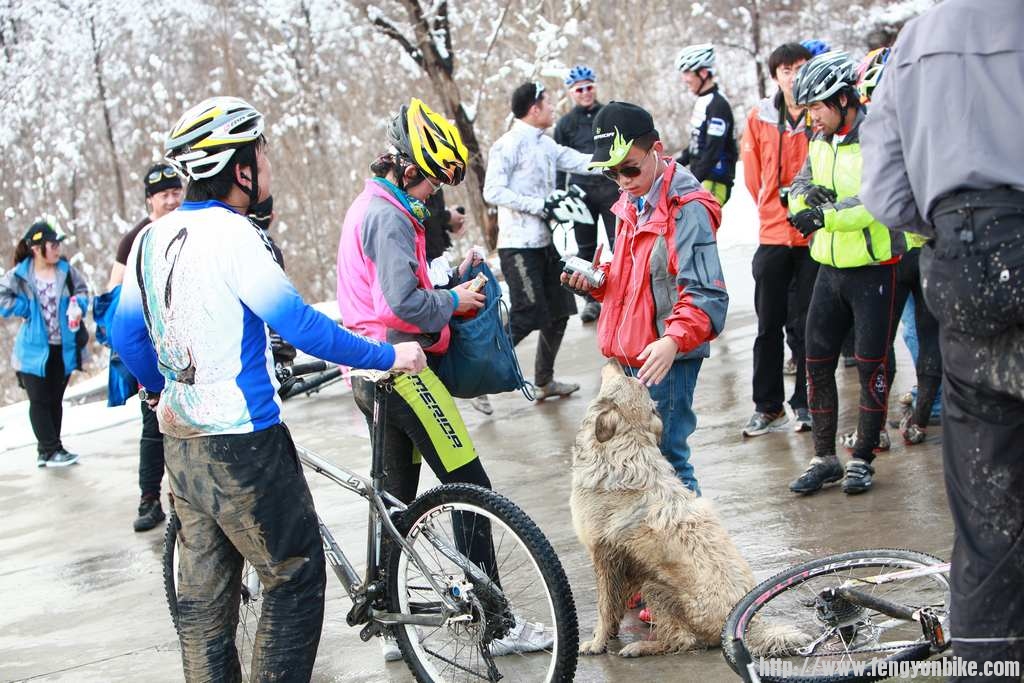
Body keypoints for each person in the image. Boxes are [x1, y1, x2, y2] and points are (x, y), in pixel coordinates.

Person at [111, 96, 426, 681]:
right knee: (294, 579)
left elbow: (124, 332)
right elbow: (298, 324)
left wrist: (165, 391)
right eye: (261, 150)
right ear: (240, 168)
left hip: (183, 447)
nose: (267, 162)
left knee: (205, 607)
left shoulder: (151, 239)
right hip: (247, 449)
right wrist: (386, 354)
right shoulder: (234, 234)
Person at [337, 97, 552, 657]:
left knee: (396, 497)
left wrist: (442, 281)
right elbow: (401, 304)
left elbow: (389, 289)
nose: (434, 194)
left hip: (369, 373)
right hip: (401, 371)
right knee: (471, 487)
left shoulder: (373, 205)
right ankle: (497, 625)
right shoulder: (388, 215)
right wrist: (453, 297)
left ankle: (391, 620)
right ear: (408, 170)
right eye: (431, 181)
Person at [860, 1, 1024, 676]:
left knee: (987, 510)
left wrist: (953, 219)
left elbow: (885, 194)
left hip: (960, 259)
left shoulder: (914, 43)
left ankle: (988, 663)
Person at [563, 101, 728, 496]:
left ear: (657, 149)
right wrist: (598, 284)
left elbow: (706, 294)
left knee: (667, 461)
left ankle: (695, 551)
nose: (622, 180)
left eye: (630, 168)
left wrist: (672, 341)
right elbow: (635, 280)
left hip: (666, 359)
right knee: (640, 464)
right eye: (612, 172)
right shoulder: (631, 203)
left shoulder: (687, 210)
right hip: (630, 356)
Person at [784, 52, 904, 496]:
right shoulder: (821, 138)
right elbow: (797, 188)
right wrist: (806, 203)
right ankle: (824, 458)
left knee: (871, 365)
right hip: (829, 268)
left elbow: (877, 200)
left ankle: (863, 458)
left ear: (841, 99)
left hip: (874, 269)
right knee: (815, 363)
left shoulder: (878, 135)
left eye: (817, 107)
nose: (811, 117)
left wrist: (824, 216)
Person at [483, 81, 592, 401]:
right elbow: (492, 191)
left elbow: (575, 160)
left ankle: (544, 381)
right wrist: (538, 205)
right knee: (527, 315)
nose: (553, 108)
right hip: (517, 245)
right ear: (534, 109)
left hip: (545, 243)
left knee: (560, 311)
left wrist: (616, 161)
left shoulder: (545, 144)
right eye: (548, 103)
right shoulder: (507, 144)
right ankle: (478, 379)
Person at [739, 42, 818, 437]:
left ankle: (806, 403)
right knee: (768, 325)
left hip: (811, 235)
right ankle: (768, 407)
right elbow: (753, 177)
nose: (793, 75)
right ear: (776, 76)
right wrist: (771, 208)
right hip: (772, 232)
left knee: (806, 326)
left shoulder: (820, 112)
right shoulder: (761, 116)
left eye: (800, 67)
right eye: (785, 69)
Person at [104, 164, 183, 532]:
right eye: (163, 195)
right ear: (149, 199)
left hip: (186, 346)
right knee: (154, 428)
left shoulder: (189, 228)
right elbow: (113, 296)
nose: (171, 199)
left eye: (175, 192)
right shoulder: (136, 239)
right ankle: (149, 499)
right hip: (150, 351)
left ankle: (181, 499)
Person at [1, 221, 88, 467]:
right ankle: (50, 450)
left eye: (58, 243)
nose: (58, 249)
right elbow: (1, 295)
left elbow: (83, 292)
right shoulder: (21, 274)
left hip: (63, 347)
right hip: (32, 350)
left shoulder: (66, 271)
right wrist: (24, 308)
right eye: (52, 244)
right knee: (39, 399)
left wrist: (77, 306)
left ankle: (49, 449)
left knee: (54, 399)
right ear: (37, 248)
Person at [553, 64, 620, 323]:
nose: (585, 93)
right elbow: (559, 162)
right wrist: (560, 194)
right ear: (571, 93)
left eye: (589, 87)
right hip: (581, 194)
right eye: (579, 89)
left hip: (611, 188)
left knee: (619, 242)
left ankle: (625, 292)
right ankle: (592, 301)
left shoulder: (609, 113)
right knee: (586, 248)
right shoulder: (565, 124)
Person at [675, 43, 738, 205]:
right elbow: (697, 144)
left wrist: (692, 181)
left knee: (700, 229)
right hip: (701, 178)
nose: (685, 79)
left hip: (714, 179)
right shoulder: (703, 101)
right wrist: (674, 164)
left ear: (703, 72)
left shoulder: (718, 105)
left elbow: (713, 150)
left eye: (688, 72)